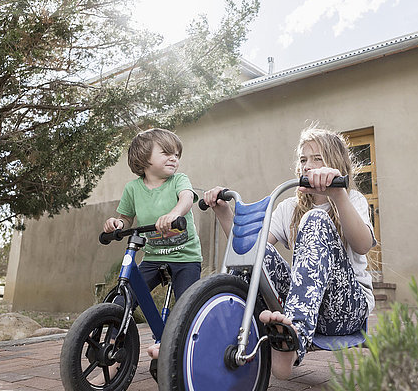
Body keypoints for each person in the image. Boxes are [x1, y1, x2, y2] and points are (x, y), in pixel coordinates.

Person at [203, 124, 376, 380]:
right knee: (257, 253)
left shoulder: (352, 199)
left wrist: (338, 194)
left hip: (346, 310)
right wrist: (224, 213)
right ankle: (200, 338)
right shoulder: (289, 207)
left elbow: (363, 246)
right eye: (304, 159)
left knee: (315, 219)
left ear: (335, 162)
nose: (308, 165)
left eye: (318, 159)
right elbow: (251, 252)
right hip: (306, 305)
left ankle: (292, 340)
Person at [103, 128, 202, 361]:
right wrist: (117, 223)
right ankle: (114, 354)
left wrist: (174, 213)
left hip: (185, 257)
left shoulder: (179, 180)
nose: (174, 158)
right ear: (143, 158)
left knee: (187, 306)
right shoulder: (133, 188)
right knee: (124, 298)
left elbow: (186, 198)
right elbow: (126, 218)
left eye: (177, 154)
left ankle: (187, 355)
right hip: (153, 256)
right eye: (166, 152)